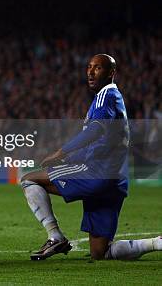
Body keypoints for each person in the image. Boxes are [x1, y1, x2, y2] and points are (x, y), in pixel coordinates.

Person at [21, 54, 162, 261]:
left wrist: (62, 152)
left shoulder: (107, 95)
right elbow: (99, 143)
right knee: (100, 252)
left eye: (97, 68)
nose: (90, 71)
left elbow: (95, 131)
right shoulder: (109, 100)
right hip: (114, 181)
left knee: (29, 179)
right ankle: (157, 243)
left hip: (97, 173)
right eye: (89, 67)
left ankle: (55, 236)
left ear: (111, 73)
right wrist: (67, 160)